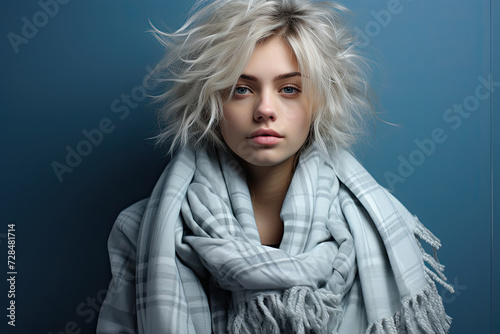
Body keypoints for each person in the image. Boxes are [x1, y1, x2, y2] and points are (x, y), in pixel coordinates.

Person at [97, 0, 454, 333]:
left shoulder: (377, 229)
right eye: (241, 89)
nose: (265, 109)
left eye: (289, 89)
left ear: (318, 103)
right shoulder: (141, 230)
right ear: (211, 104)